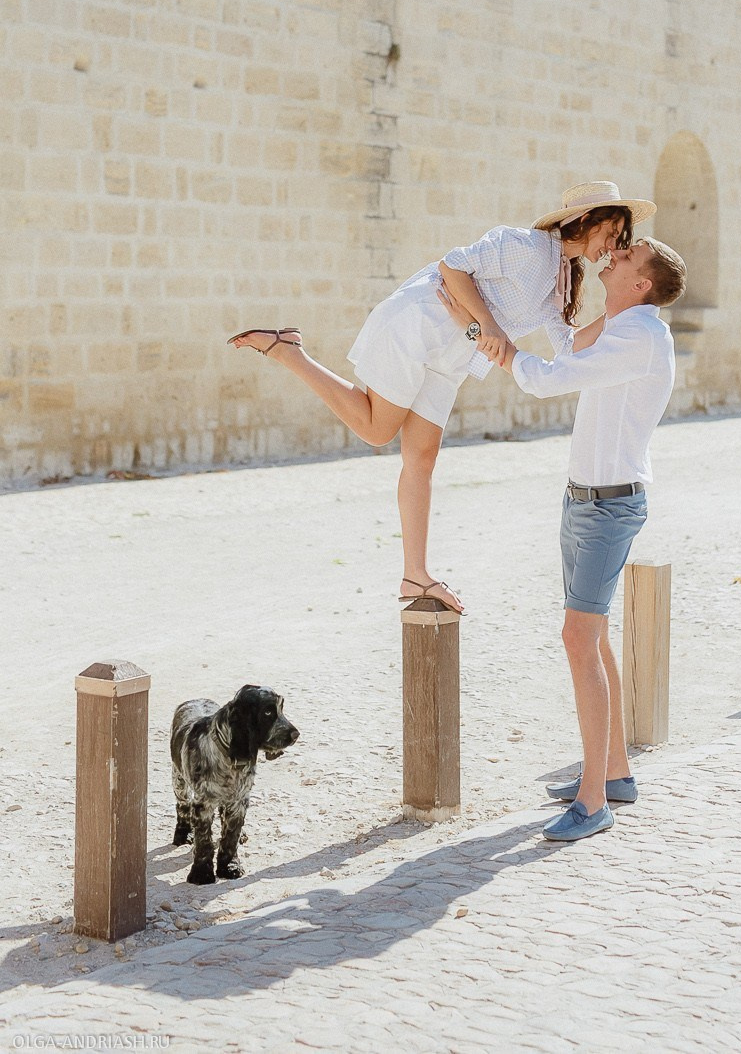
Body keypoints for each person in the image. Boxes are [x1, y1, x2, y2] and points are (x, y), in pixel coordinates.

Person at [228, 181, 655, 615]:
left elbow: (566, 346)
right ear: (585, 221)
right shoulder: (526, 245)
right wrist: (487, 325)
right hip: (421, 322)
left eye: (622, 240)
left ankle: (415, 573)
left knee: (423, 457)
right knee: (377, 430)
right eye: (612, 233)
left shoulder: (561, 279)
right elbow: (452, 266)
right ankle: (289, 351)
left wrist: (628, 308)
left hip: (451, 352)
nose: (614, 246)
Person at [440, 236, 686, 840]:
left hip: (609, 507)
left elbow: (544, 379)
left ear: (642, 285)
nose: (611, 259)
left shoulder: (641, 337)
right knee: (591, 635)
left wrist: (483, 336)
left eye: (624, 260)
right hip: (585, 499)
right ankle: (616, 773)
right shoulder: (626, 327)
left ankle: (594, 801)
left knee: (578, 638)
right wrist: (553, 305)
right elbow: (573, 347)